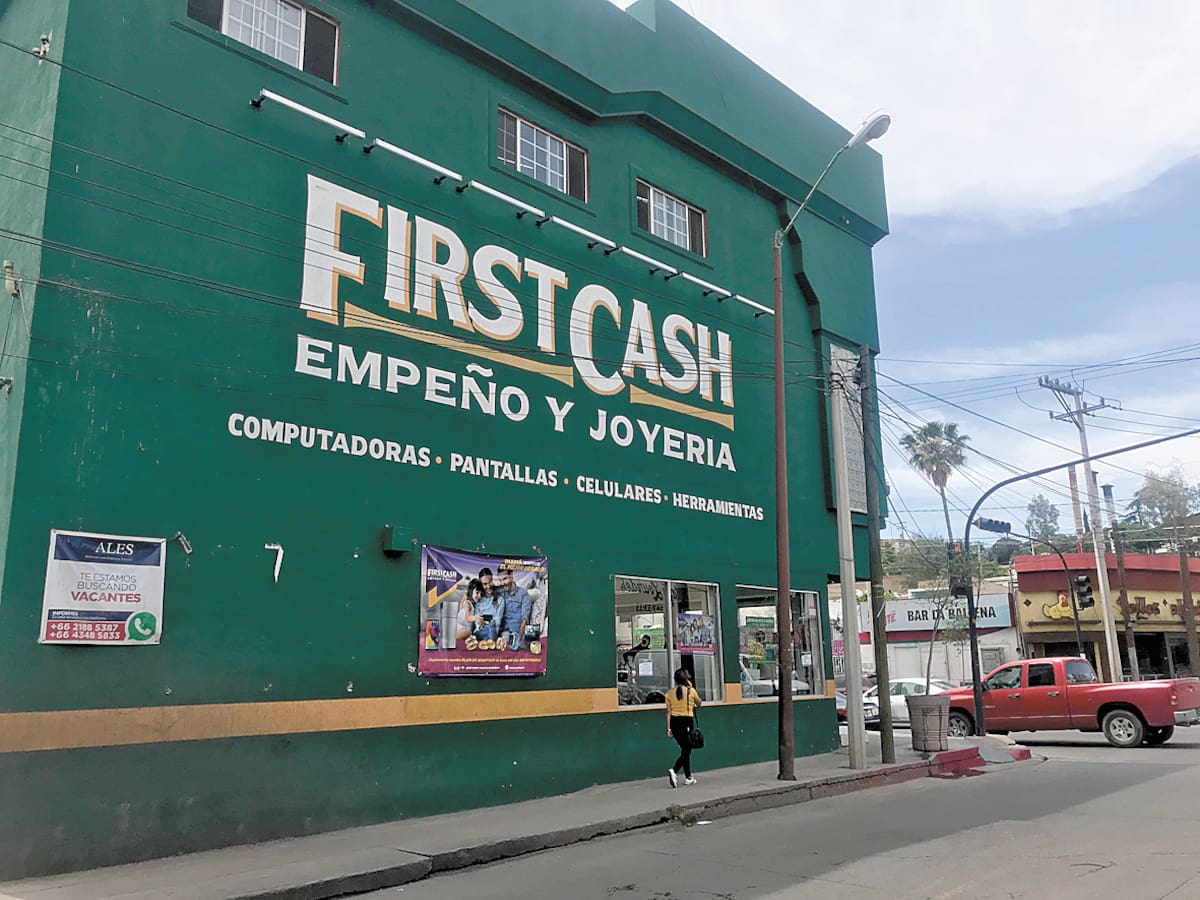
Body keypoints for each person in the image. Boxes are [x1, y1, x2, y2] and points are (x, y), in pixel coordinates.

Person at [666, 668, 701, 787]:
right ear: (686, 679)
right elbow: (699, 703)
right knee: (687, 749)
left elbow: (668, 712)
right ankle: (674, 770)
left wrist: (669, 728)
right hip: (686, 721)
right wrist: (690, 687)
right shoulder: (691, 691)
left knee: (685, 749)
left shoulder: (669, 693)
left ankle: (688, 777)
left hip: (674, 723)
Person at [496, 565, 533, 650]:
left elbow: (525, 618)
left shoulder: (523, 594)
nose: (502, 583)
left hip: (518, 632)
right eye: (500, 580)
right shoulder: (500, 592)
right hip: (505, 632)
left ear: (511, 576)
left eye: (505, 579)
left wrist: (519, 638)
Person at [474, 568, 502, 642]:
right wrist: (479, 624)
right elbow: (476, 620)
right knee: (486, 630)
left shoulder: (500, 599)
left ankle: (487, 643)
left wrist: (492, 623)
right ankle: (489, 644)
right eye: (485, 584)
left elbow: (498, 619)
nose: (489, 586)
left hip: (493, 630)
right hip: (481, 630)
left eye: (490, 582)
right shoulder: (478, 599)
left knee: (491, 628)